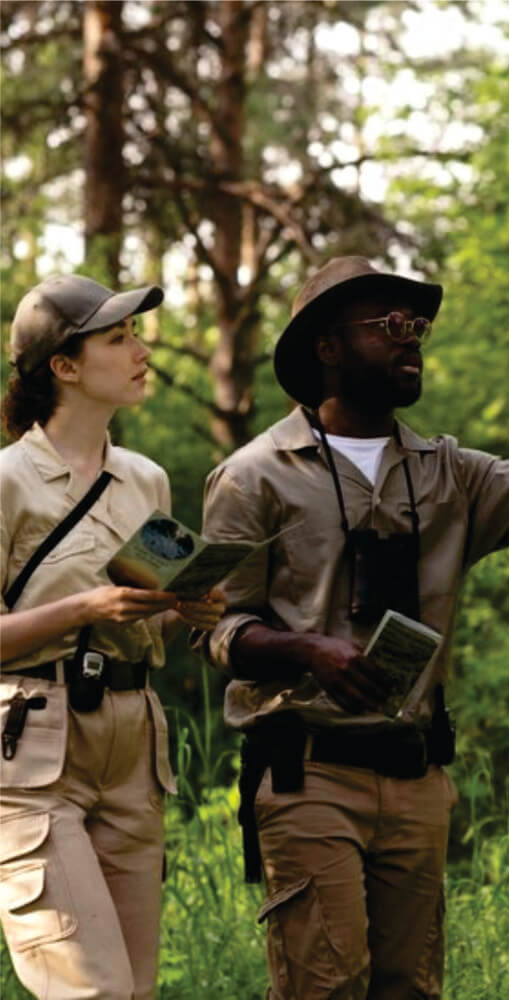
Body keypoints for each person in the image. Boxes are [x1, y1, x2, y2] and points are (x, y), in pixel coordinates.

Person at [197, 255, 509, 1000]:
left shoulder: (448, 471)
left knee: (411, 989)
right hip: (308, 771)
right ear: (327, 348)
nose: (412, 341)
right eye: (390, 325)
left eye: (418, 326)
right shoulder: (255, 475)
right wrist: (306, 649)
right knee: (325, 985)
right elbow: (216, 628)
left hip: (416, 775)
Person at [0, 274, 225, 1000]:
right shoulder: (8, 482)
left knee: (135, 990)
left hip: (135, 742)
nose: (140, 351)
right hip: (35, 743)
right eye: (117, 339)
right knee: (88, 991)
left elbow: (145, 606)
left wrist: (187, 607)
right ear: (63, 367)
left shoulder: (147, 481)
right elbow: (86, 609)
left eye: (136, 336)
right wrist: (81, 608)